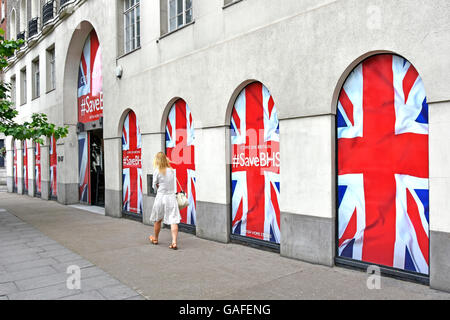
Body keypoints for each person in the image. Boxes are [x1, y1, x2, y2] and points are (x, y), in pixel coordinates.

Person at [148, 152, 181, 250]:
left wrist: (157, 187)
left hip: (161, 197)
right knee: (173, 219)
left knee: (158, 219)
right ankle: (174, 242)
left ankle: (156, 238)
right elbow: (173, 184)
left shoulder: (157, 171)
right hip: (171, 197)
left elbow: (154, 186)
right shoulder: (171, 170)